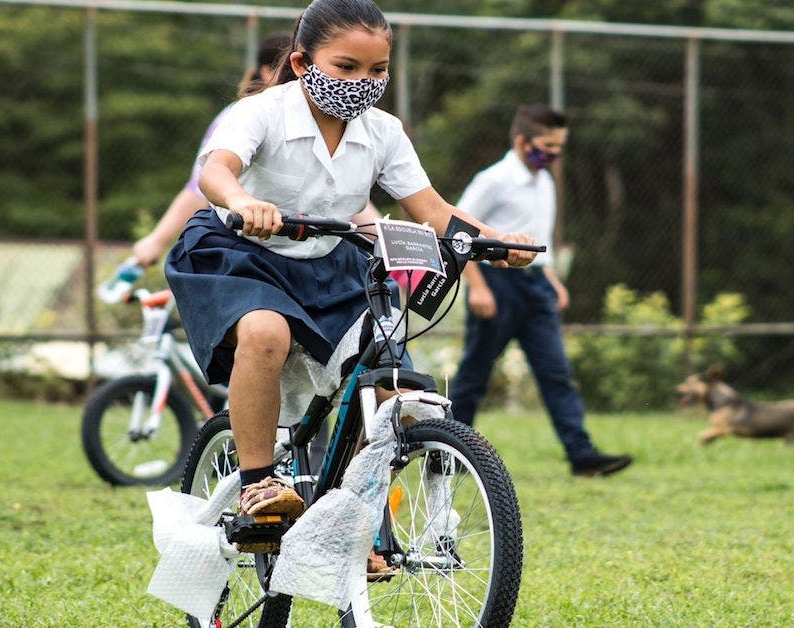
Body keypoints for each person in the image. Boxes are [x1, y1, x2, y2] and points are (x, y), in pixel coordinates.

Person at [165, 0, 537, 520]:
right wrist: (242, 201)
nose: (363, 81)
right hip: (237, 255)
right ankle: (257, 487)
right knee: (267, 333)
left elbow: (432, 210)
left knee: (395, 389)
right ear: (301, 64)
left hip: (327, 263)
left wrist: (496, 241)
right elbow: (215, 171)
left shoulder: (383, 132)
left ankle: (350, 520)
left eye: (378, 70)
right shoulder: (259, 112)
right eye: (347, 66)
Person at [448, 104, 633, 478]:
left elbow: (538, 242)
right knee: (474, 375)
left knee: (556, 372)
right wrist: (478, 287)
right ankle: (450, 453)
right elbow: (458, 232)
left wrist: (551, 281)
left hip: (536, 289)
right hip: (497, 284)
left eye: (559, 147)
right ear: (522, 140)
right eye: (548, 146)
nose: (554, 154)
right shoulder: (494, 180)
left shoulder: (545, 182)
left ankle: (582, 456)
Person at [130, 33, 293, 267]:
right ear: (267, 72)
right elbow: (202, 184)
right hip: (242, 253)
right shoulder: (241, 116)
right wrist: (157, 240)